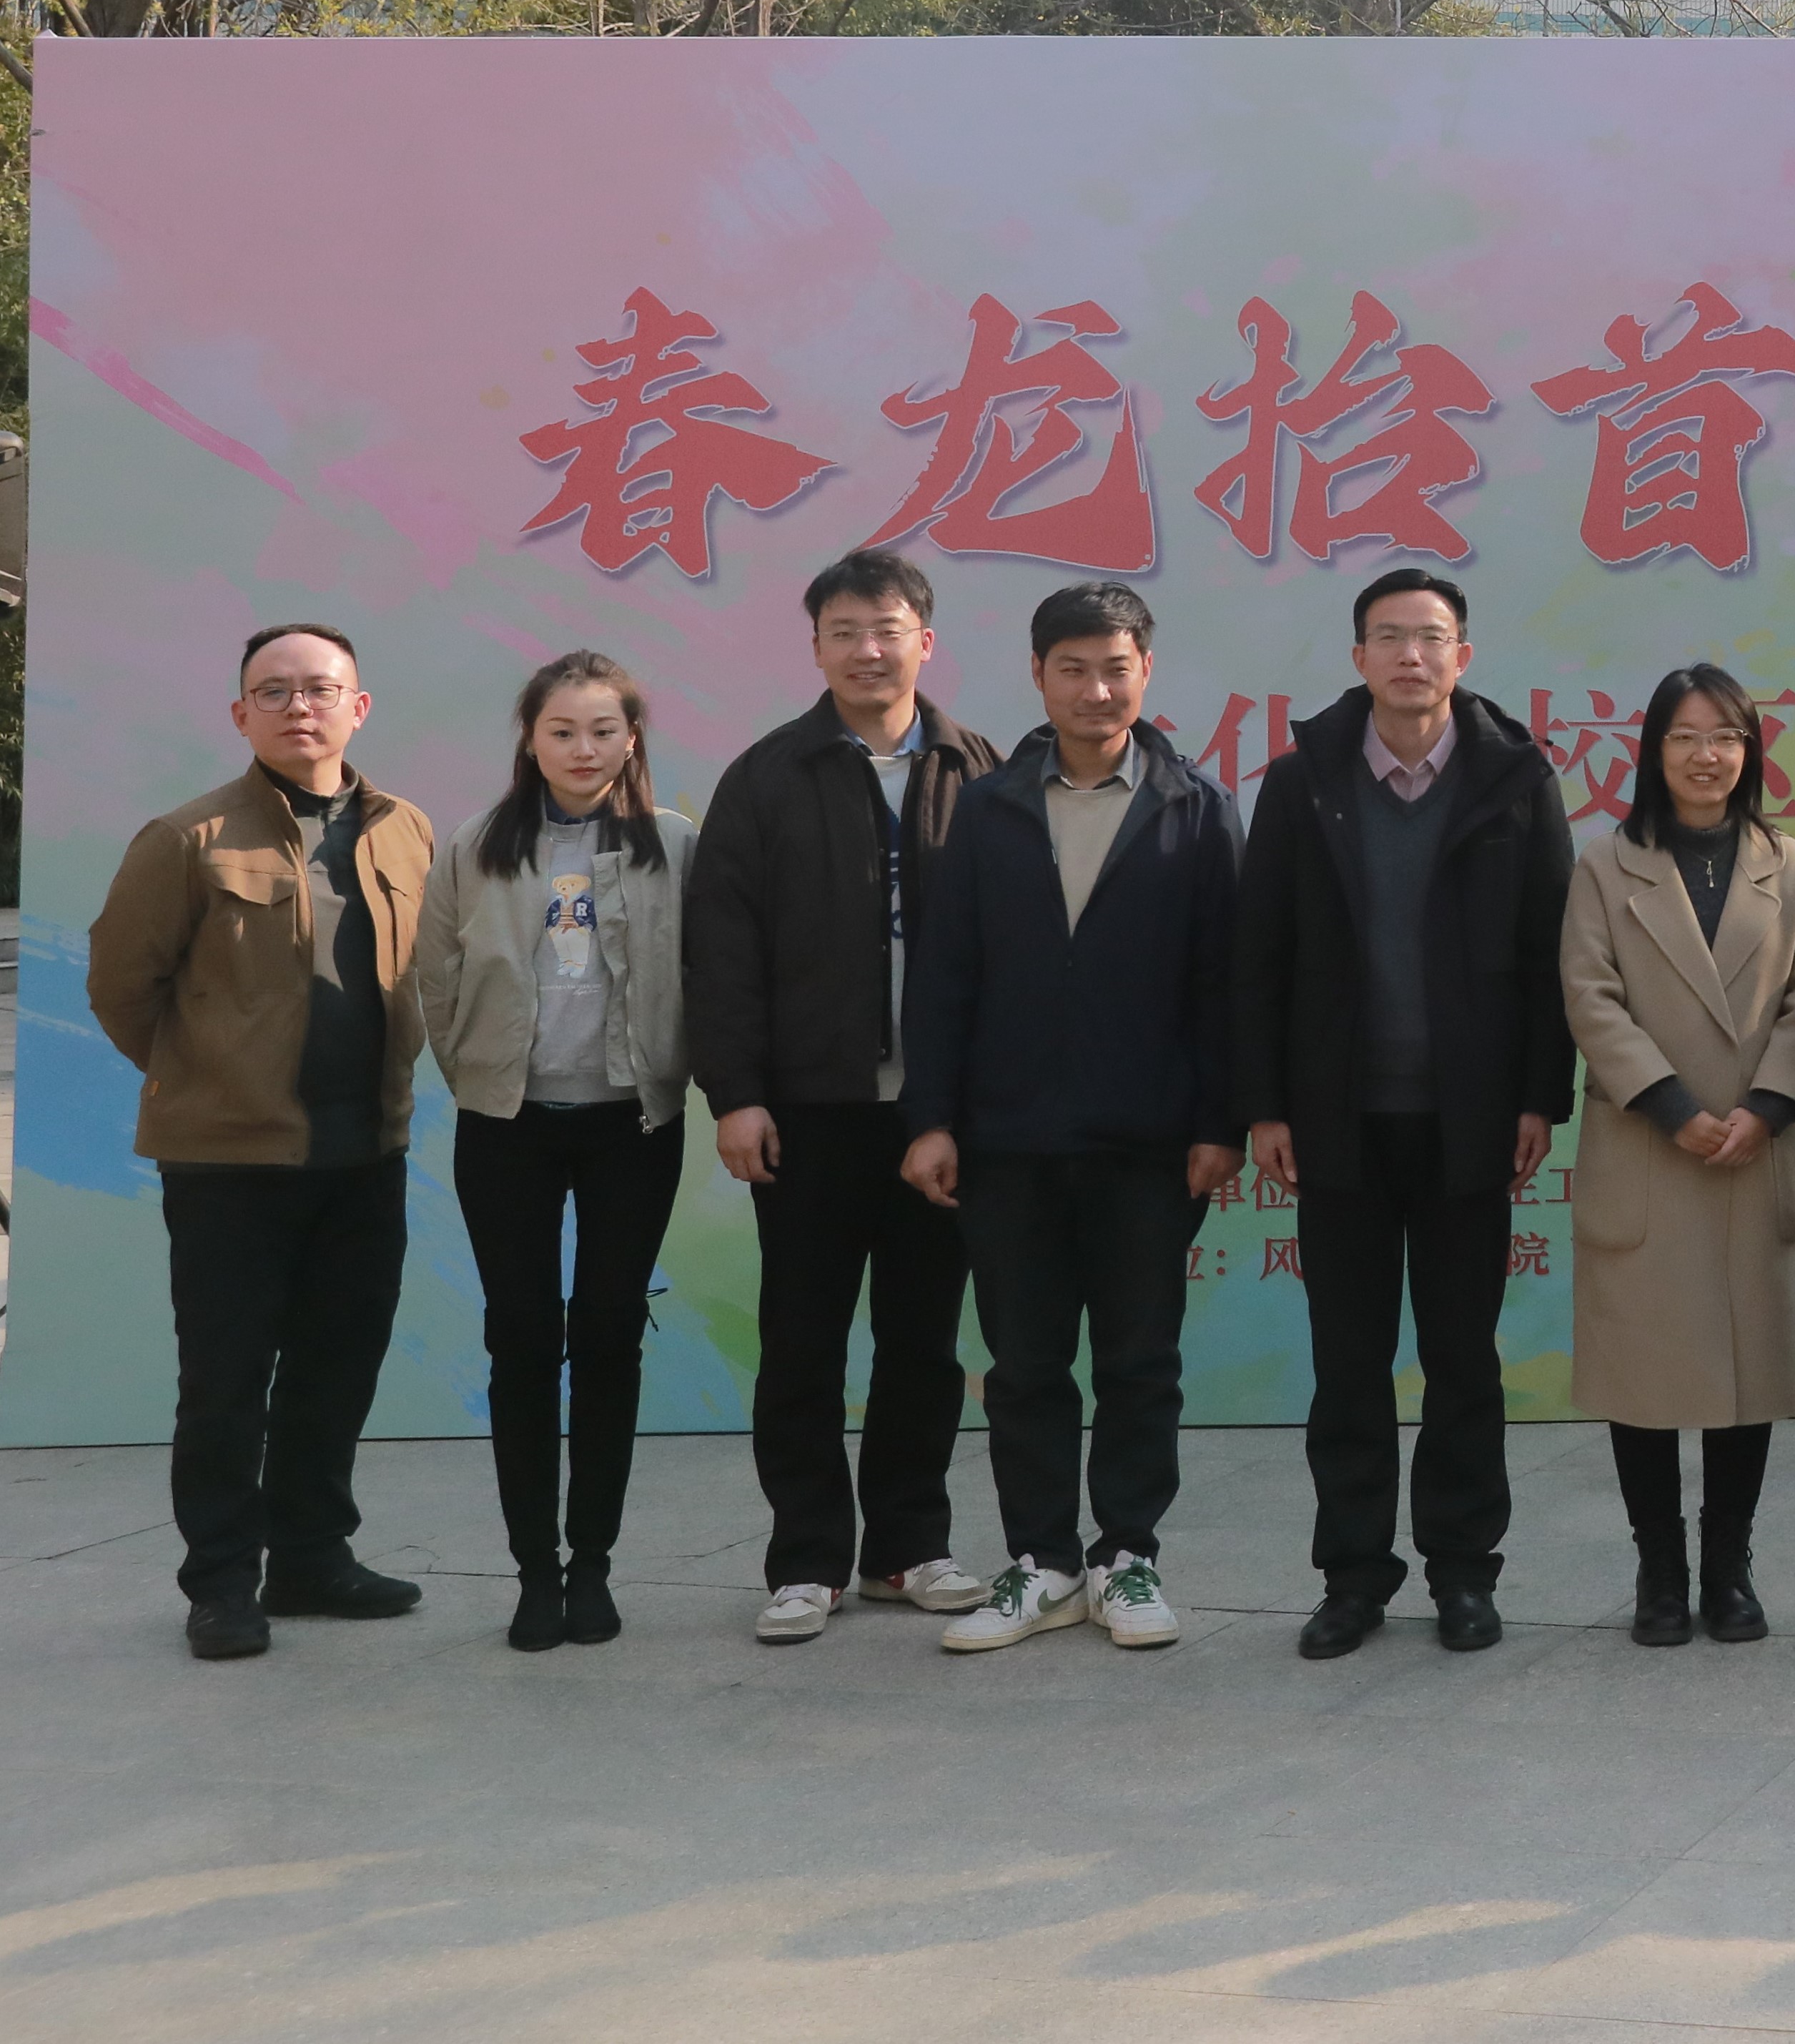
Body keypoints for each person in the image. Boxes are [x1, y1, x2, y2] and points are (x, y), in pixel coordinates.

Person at [896, 581, 1246, 1656]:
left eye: (1116, 668)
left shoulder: (1196, 807)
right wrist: (931, 1118)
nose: (1097, 690)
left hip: (1149, 1143)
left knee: (1141, 1361)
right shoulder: (989, 808)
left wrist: (1220, 1122)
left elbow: (1226, 984)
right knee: (1024, 1366)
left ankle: (1126, 1555)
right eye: (1074, 669)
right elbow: (946, 976)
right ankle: (1042, 1562)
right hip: (1008, 1141)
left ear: (1147, 671)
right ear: (1039, 676)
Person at [1238, 566, 1578, 1660]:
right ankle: (1352, 1576)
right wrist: (1266, 1104)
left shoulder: (1516, 779)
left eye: (1431, 637)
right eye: (1389, 636)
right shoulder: (1303, 782)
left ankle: (1464, 1572)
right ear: (1359, 657)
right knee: (1349, 1365)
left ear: (1461, 657)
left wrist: (1540, 1095)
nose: (1411, 655)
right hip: (1337, 1122)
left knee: (1463, 1359)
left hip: (1468, 1121)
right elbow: (1262, 954)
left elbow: (1551, 951)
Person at [90, 624, 437, 1660]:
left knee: (338, 1366)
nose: (299, 707)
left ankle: (312, 1558)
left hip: (365, 1152)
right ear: (241, 713)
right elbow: (121, 987)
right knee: (227, 1381)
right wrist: (211, 1075)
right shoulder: (186, 838)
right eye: (274, 691)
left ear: (357, 707)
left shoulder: (405, 830)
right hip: (229, 1165)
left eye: (320, 689)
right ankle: (222, 1582)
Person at [688, 550, 1007, 1644]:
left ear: (926, 639)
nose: (869, 650)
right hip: (808, 1112)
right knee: (804, 1339)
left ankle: (908, 1546)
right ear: (817, 646)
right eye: (845, 631)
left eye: (888, 628)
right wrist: (737, 1094)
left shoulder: (981, 770)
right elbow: (722, 951)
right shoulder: (766, 776)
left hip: (938, 1115)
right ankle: (808, 1557)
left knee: (924, 1338)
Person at [410, 652, 699, 1655]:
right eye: (563, 730)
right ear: (530, 739)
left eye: (604, 730)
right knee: (522, 1340)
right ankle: (536, 1570)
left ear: (632, 739)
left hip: (634, 1125)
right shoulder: (476, 844)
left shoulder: (675, 843)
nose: (584, 749)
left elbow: (705, 969)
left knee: (611, 1337)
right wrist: (481, 1076)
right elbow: (436, 977)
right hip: (509, 1126)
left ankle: (595, 1564)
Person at [1560, 664, 1795, 1648]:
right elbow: (1590, 996)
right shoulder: (1607, 865)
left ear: (1749, 750)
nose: (1706, 755)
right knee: (1644, 1375)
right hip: (1650, 1147)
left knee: (1745, 1373)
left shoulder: (1788, 865)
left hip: (1752, 1149)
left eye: (1725, 736)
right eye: (1685, 736)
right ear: (1654, 750)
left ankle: (1729, 1566)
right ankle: (1660, 1569)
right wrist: (1671, 1105)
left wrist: (1768, 1105)